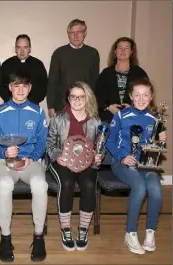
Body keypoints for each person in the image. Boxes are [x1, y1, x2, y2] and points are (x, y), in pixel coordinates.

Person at [0, 70, 48, 262]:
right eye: (16, 85)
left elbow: (42, 141)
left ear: (30, 88)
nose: (20, 90)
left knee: (40, 184)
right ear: (10, 87)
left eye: (24, 86)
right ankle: (5, 238)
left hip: (30, 161)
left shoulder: (38, 112)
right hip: (4, 162)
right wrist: (4, 152)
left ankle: (39, 237)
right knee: (4, 185)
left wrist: (32, 157)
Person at [106, 78, 167, 255]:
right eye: (137, 95)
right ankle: (130, 233)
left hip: (146, 164)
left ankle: (150, 233)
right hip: (123, 163)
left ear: (151, 96)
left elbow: (156, 148)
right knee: (140, 187)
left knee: (156, 190)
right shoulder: (120, 116)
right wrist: (122, 157)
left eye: (145, 95)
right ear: (131, 96)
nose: (141, 99)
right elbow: (109, 142)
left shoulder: (155, 118)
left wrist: (161, 142)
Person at [45, 82, 102, 251]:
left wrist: (99, 155)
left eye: (81, 96)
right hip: (62, 162)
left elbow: (100, 145)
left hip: (87, 162)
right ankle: (66, 229)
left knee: (89, 184)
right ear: (68, 98)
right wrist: (58, 156)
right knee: (67, 183)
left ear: (87, 98)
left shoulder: (95, 121)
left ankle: (83, 229)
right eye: (73, 96)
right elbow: (49, 145)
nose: (77, 100)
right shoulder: (58, 119)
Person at [46, 19, 100, 118]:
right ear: (68, 34)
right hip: (61, 106)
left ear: (84, 34)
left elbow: (95, 82)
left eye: (79, 32)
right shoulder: (59, 53)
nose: (75, 36)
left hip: (85, 106)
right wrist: (50, 106)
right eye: (72, 33)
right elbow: (52, 82)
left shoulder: (93, 54)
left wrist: (93, 105)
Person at [95, 37, 149, 122]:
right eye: (120, 48)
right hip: (109, 118)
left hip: (133, 118)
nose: (123, 51)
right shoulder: (106, 73)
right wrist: (108, 107)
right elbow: (97, 95)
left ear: (131, 52)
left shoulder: (140, 73)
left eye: (126, 48)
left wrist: (132, 107)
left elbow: (146, 95)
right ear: (115, 51)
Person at [0, 34, 47, 105]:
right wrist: (9, 100)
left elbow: (44, 86)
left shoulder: (38, 64)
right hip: (10, 105)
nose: (22, 51)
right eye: (19, 47)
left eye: (25, 47)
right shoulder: (7, 64)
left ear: (29, 49)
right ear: (15, 49)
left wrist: (33, 101)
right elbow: (1, 85)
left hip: (32, 105)